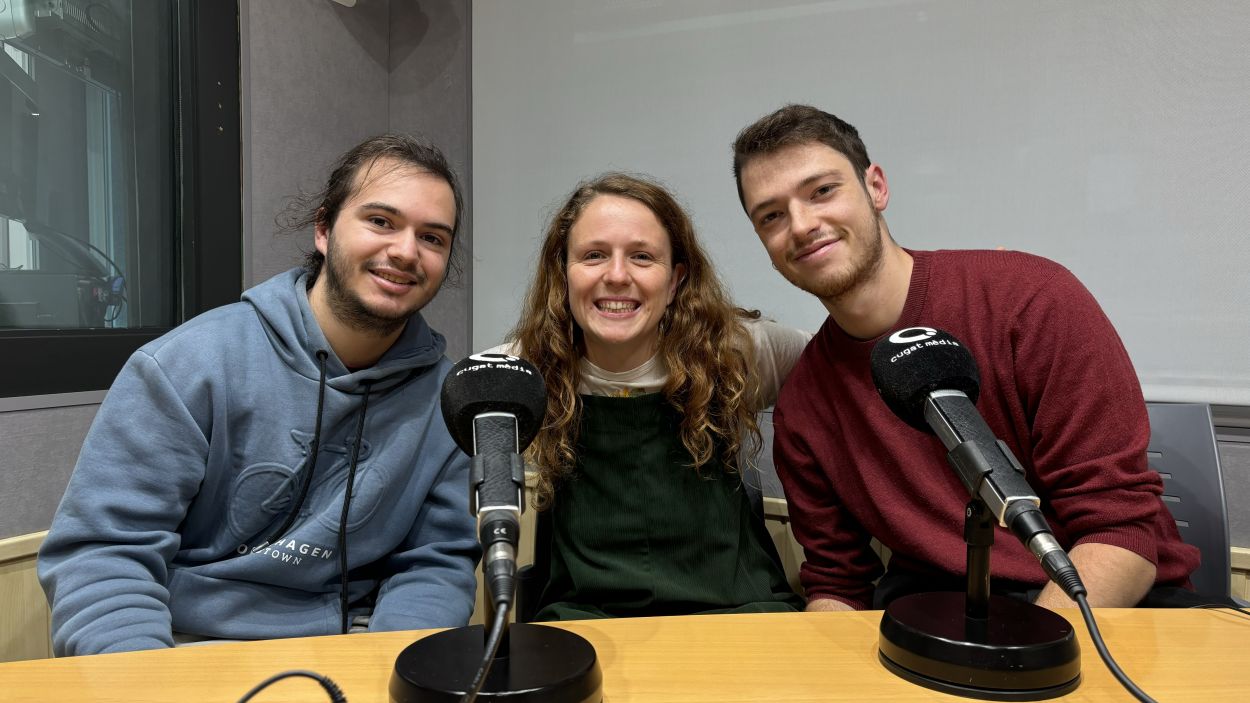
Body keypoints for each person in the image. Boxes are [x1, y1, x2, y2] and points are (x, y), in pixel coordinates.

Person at [731, 104, 1202, 612]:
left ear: (876, 187)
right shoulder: (803, 405)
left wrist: (1031, 658)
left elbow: (1119, 530)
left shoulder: (1031, 299)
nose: (801, 225)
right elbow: (838, 584)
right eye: (772, 216)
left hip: (1104, 606)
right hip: (935, 613)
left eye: (822, 191)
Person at [38, 134, 480, 656]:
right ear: (324, 229)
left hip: (357, 649)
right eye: (381, 221)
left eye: (432, 237)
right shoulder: (187, 366)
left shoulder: (450, 398)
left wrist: (394, 672)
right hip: (184, 649)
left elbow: (435, 563)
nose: (406, 251)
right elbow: (105, 555)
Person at [491, 173, 807, 620]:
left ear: (676, 279)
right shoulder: (521, 371)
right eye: (594, 255)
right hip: (584, 618)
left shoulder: (739, 352)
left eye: (642, 257)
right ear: (563, 272)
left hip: (742, 612)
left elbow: (852, 366)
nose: (617, 276)